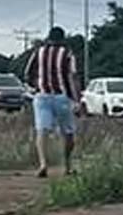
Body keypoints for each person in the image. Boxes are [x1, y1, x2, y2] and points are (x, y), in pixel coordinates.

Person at [23, 26, 81, 178]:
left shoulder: (38, 52)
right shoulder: (67, 53)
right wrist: (77, 99)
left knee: (42, 131)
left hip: (42, 96)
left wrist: (37, 86)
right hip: (62, 97)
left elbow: (27, 73)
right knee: (68, 132)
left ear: (48, 38)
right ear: (62, 39)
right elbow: (74, 76)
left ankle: (43, 164)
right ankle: (67, 166)